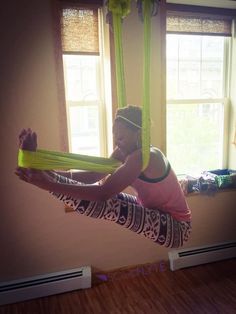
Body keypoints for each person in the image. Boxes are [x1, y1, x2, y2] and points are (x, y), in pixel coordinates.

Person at [15, 105, 191, 248]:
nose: (116, 142)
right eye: (115, 136)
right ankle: (38, 171)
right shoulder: (125, 152)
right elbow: (92, 176)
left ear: (137, 135)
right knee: (109, 201)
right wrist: (45, 170)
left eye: (121, 137)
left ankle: (40, 175)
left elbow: (102, 194)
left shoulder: (146, 156)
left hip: (176, 228)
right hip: (153, 213)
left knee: (108, 205)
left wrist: (47, 184)